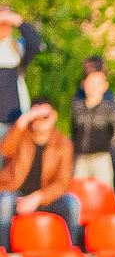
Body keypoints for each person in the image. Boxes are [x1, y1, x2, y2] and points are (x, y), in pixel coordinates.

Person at [0, 101, 77, 236]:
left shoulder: (64, 144)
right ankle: (3, 248)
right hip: (16, 195)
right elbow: (5, 150)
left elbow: (62, 183)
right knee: (5, 202)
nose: (41, 121)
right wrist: (23, 120)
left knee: (72, 203)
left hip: (44, 198)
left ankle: (70, 248)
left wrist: (38, 198)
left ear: (54, 116)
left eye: (45, 116)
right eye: (36, 117)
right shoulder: (20, 135)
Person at [69, 57, 115, 198]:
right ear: (83, 84)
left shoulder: (109, 106)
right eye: (91, 83)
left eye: (98, 83)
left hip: (101, 157)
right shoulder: (77, 103)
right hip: (81, 158)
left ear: (105, 86)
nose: (94, 87)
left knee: (104, 193)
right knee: (78, 194)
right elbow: (74, 130)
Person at [0, 4, 41, 126]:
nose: (3, 25)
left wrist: (19, 21)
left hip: (14, 120)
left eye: (7, 22)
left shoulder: (18, 48)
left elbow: (35, 43)